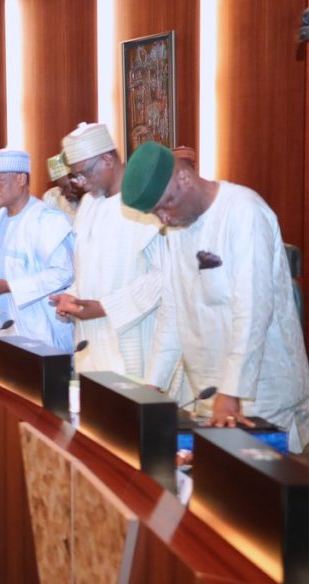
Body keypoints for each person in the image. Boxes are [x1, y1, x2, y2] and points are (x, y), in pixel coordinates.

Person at [123, 141, 309, 451]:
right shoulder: (176, 228)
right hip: (211, 396)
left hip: (262, 396)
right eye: (156, 214)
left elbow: (253, 309)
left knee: (255, 495)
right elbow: (173, 309)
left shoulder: (244, 212)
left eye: (165, 204)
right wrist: (152, 386)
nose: (164, 219)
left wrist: (232, 391)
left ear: (184, 178)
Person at [48, 123, 165, 377]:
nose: (80, 183)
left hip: (129, 338)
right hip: (90, 342)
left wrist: (106, 307)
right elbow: (86, 269)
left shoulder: (144, 202)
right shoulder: (89, 204)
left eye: (83, 174)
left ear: (107, 160)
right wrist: (72, 296)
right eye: (75, 176)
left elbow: (163, 277)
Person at [0, 149, 75, 351]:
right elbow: (3, 269)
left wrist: (11, 286)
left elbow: (64, 273)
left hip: (41, 329)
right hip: (3, 329)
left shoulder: (47, 221)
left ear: (21, 178)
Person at [42, 152, 81, 222]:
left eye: (65, 187)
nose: (62, 193)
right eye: (61, 188)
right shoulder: (52, 196)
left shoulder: (91, 201)